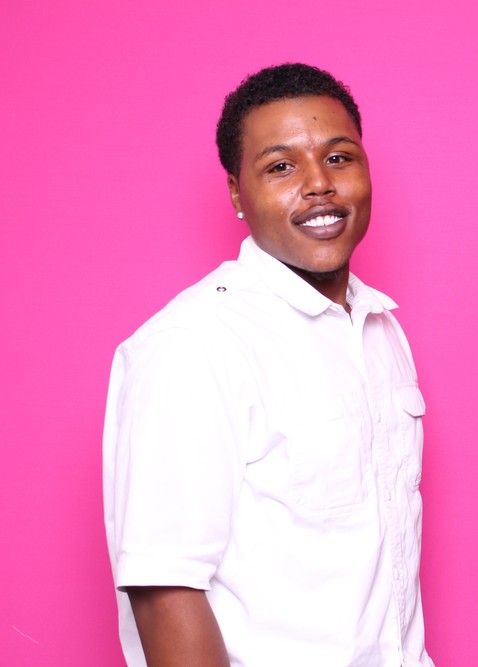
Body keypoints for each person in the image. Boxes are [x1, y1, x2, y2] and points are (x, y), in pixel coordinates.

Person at [103, 63, 433, 666]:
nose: (319, 184)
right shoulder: (194, 344)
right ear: (236, 192)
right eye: (281, 167)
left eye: (339, 158)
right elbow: (165, 588)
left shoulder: (379, 327)